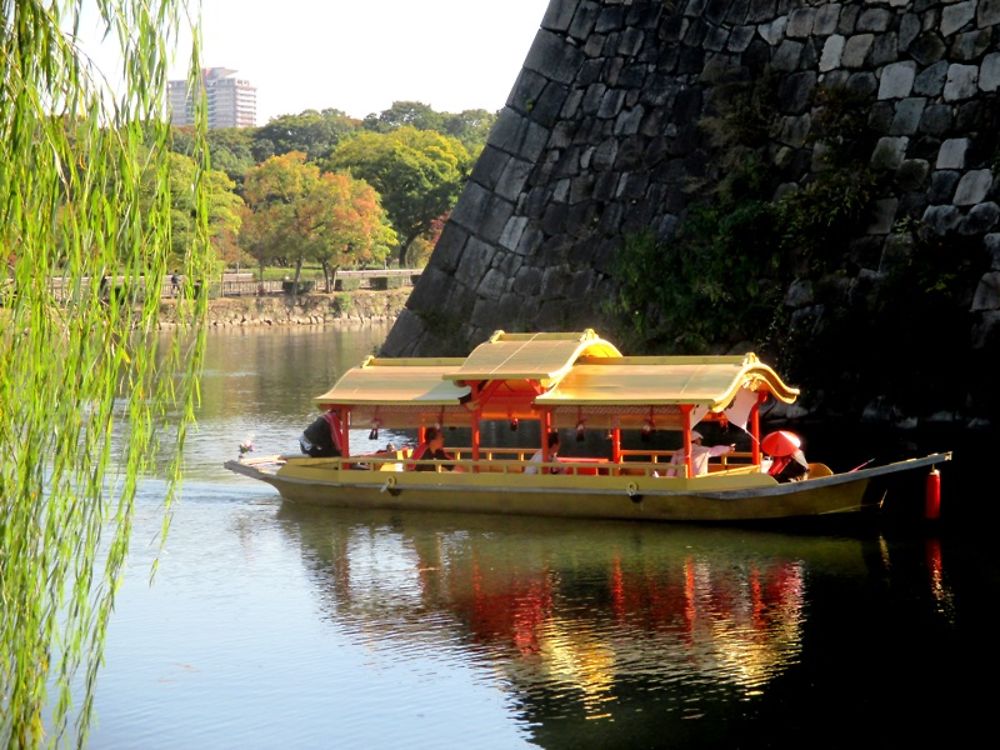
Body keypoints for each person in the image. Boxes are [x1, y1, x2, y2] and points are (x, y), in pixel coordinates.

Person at [667, 430, 734, 477]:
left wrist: (668, 480)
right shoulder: (704, 450)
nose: (701, 441)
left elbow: (671, 470)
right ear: (696, 440)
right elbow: (717, 450)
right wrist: (729, 448)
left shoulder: (677, 452)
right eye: (700, 439)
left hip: (682, 481)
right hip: (700, 481)